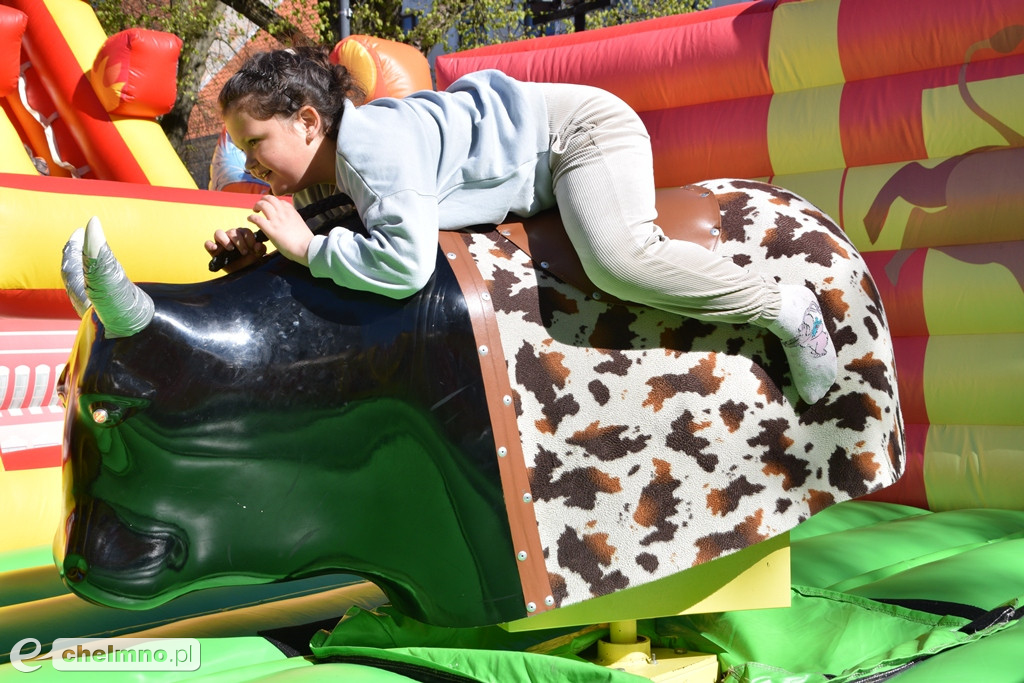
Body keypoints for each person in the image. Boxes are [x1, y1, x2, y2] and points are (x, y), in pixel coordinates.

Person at [205, 47, 836, 404]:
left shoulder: (371, 150)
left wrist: (310, 246)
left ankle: (786, 309)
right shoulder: (328, 172)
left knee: (620, 259)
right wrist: (255, 253)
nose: (250, 161)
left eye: (254, 141)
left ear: (309, 122)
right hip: (543, 149)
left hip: (579, 133)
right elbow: (323, 237)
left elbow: (403, 264)